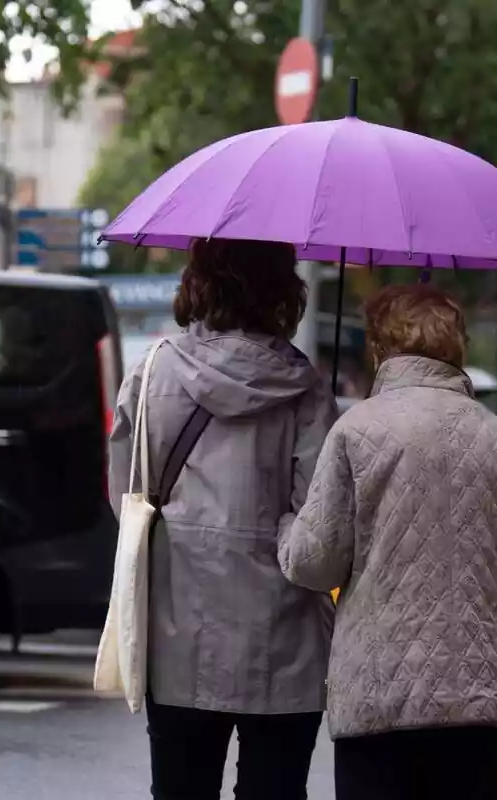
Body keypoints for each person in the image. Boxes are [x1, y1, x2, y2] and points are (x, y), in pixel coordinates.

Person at [278, 284, 497, 800]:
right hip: (481, 705)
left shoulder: (354, 432)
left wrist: (286, 529)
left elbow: (315, 563)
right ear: (457, 349)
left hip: (377, 698)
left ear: (380, 350)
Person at [107, 238, 336, 800]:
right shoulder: (305, 391)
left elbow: (127, 497)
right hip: (284, 643)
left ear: (199, 282)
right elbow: (319, 523)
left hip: (177, 629)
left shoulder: (153, 371)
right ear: (284, 289)